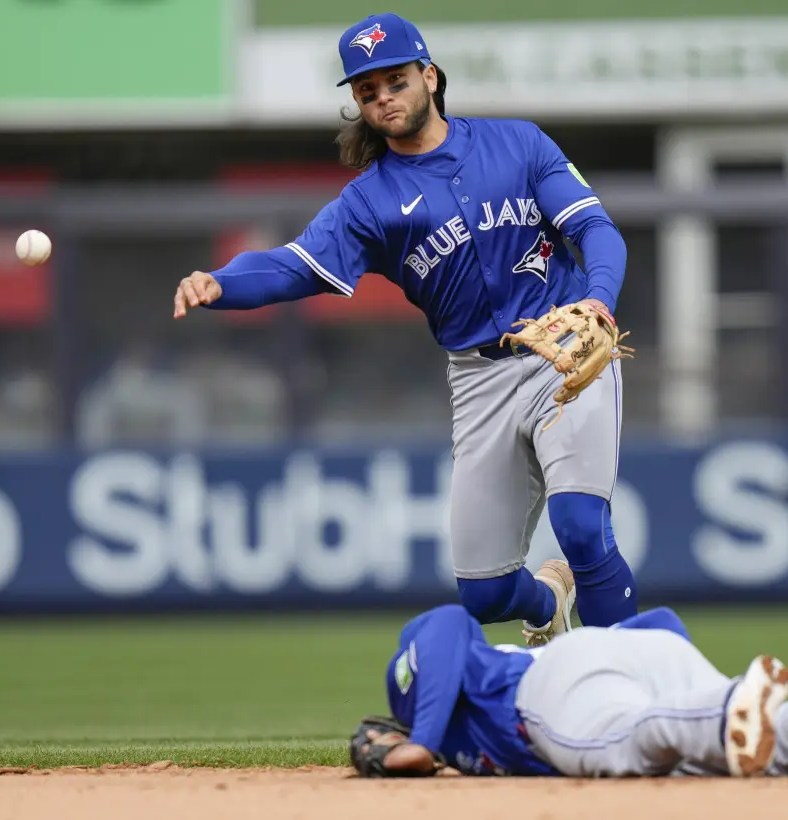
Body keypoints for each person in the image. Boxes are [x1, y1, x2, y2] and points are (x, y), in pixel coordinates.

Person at [171, 12, 636, 645]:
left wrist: (598, 303)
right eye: (368, 90)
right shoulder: (368, 202)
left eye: (396, 80)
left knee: (581, 525)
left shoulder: (519, 144)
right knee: (484, 593)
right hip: (479, 379)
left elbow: (595, 231)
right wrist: (221, 283)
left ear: (430, 76)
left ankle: (641, 691)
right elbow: (293, 266)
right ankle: (548, 600)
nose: (384, 97)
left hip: (567, 352)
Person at [349, 604, 788, 779]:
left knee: (632, 738)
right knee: (753, 750)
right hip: (628, 653)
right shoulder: (458, 728)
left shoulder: (417, 684)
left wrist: (420, 739)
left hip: (547, 691)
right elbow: (661, 625)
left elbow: (446, 628)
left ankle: (730, 704)